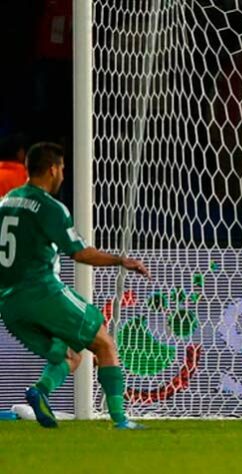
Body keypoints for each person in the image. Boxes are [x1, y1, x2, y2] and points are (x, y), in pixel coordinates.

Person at [0, 142, 150, 429]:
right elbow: (80, 253)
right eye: (63, 169)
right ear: (53, 168)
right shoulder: (49, 207)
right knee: (104, 342)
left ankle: (39, 391)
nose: (64, 176)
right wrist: (122, 260)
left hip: (9, 304)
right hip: (40, 292)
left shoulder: (6, 201)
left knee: (71, 353)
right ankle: (121, 421)